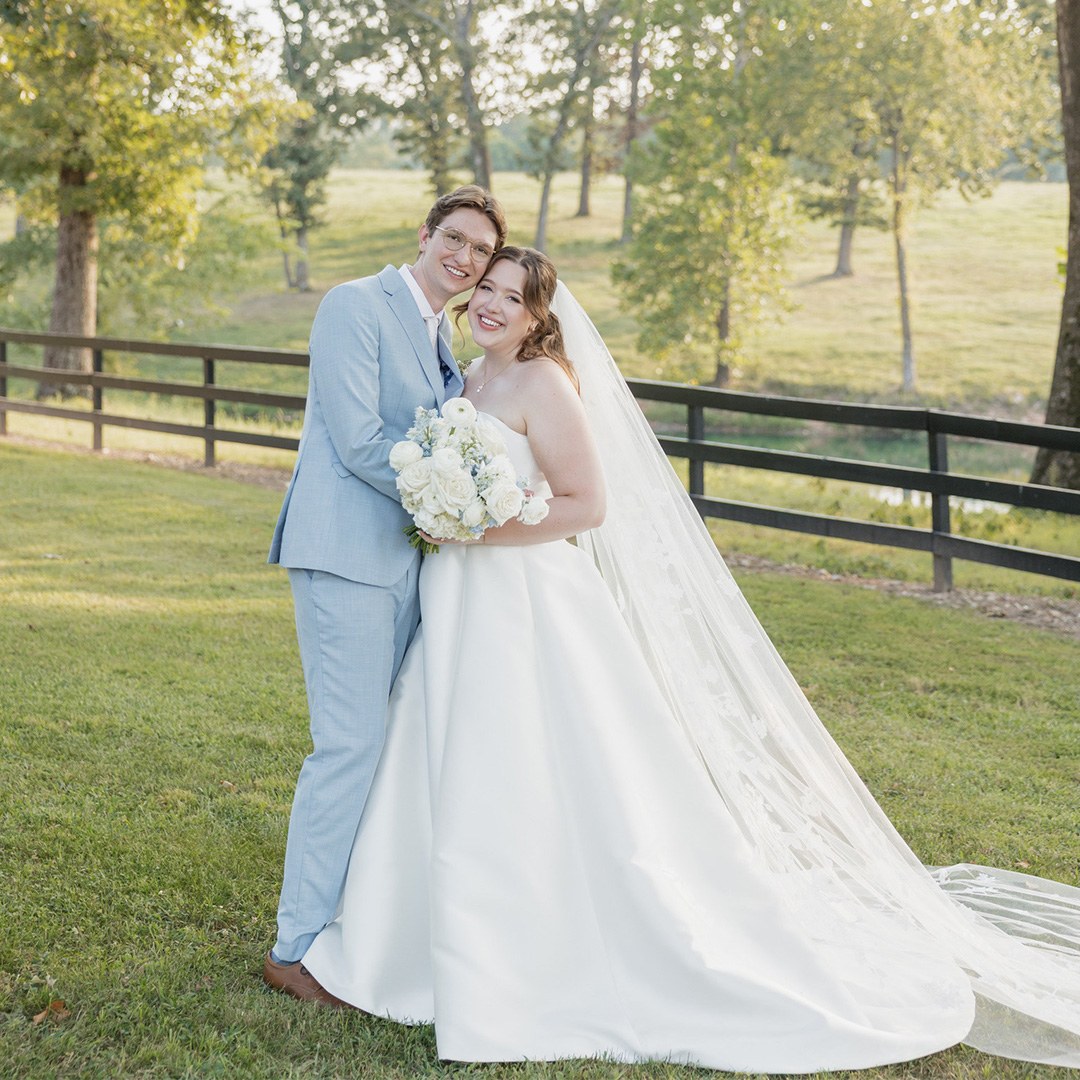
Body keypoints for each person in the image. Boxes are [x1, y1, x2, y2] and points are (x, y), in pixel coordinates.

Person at [301, 247, 1080, 1071]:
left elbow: (586, 505)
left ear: (538, 318)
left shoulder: (542, 383)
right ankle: (414, 941)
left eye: (511, 298)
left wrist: (475, 526)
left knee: (533, 764)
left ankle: (539, 948)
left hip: (522, 603)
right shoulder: (468, 380)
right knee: (446, 754)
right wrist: (447, 511)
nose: (492, 304)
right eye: (484, 290)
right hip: (457, 600)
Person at [264, 186, 507, 1004]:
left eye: (480, 251)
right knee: (347, 746)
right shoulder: (353, 305)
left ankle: (349, 924)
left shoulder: (444, 336)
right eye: (456, 239)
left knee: (389, 743)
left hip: (405, 563)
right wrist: (446, 504)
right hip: (345, 556)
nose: (466, 258)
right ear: (424, 234)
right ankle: (293, 948)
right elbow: (358, 434)